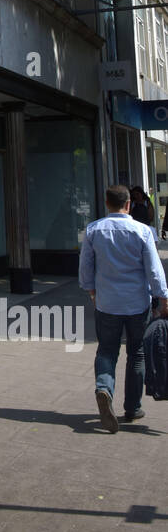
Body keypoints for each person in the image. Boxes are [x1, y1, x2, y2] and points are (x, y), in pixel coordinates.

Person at [78, 184, 167, 432]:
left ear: (107, 204)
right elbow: (153, 269)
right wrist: (163, 297)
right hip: (138, 303)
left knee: (107, 350)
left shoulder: (94, 229)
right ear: (128, 204)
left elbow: (85, 267)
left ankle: (104, 388)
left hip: (107, 302)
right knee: (136, 353)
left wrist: (91, 290)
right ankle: (132, 407)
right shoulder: (143, 231)